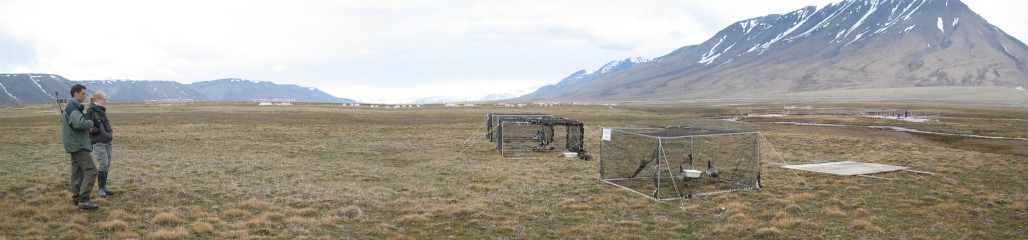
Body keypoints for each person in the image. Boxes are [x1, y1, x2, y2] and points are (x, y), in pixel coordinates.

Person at [62, 84, 99, 209]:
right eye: (83, 94)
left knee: (77, 172)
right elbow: (79, 123)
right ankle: (83, 199)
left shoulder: (72, 107)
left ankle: (77, 197)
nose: (85, 96)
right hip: (78, 145)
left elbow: (76, 124)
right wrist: (90, 123)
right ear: (75, 94)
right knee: (91, 171)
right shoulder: (73, 108)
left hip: (74, 144)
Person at [86, 92, 116, 197]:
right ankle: (101, 188)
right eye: (104, 99)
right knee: (103, 164)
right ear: (98, 99)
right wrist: (95, 130)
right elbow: (88, 126)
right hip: (98, 141)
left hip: (107, 140)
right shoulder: (90, 111)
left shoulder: (101, 110)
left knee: (107, 164)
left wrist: (109, 133)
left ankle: (104, 187)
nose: (105, 101)